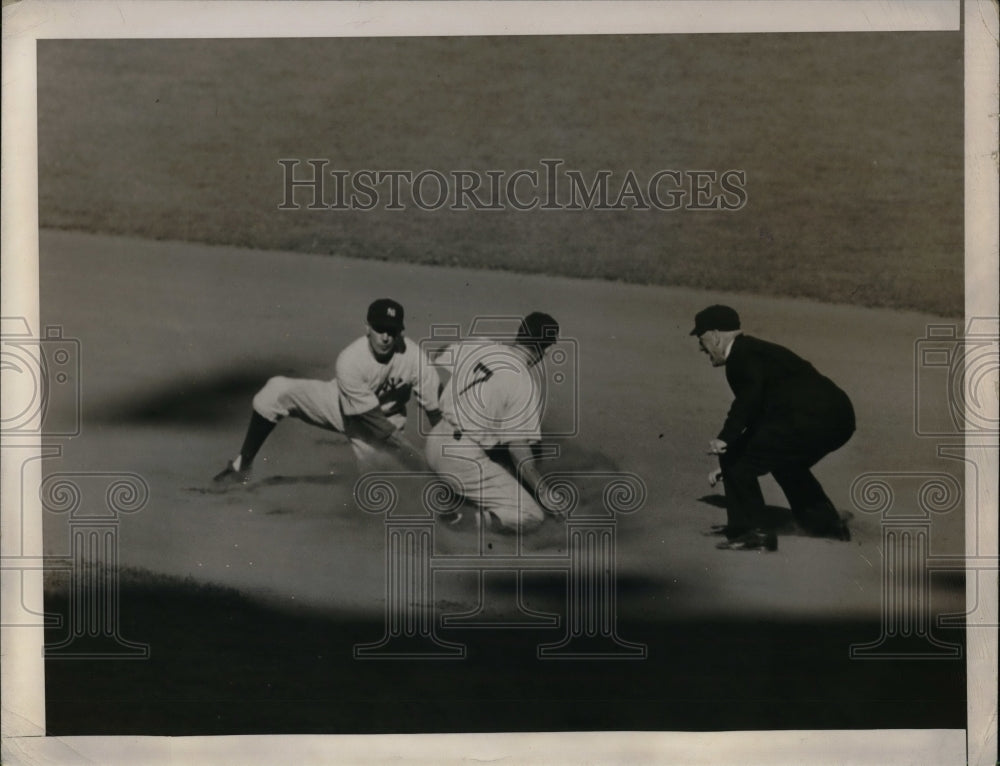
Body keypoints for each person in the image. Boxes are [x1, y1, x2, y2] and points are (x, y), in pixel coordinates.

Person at [213, 298, 443, 484]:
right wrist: (420, 463)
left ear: (400, 333)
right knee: (275, 391)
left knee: (377, 489)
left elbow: (436, 412)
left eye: (392, 331)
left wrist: (450, 457)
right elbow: (376, 425)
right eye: (379, 329)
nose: (385, 337)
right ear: (367, 328)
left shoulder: (415, 359)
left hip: (386, 420)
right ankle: (242, 466)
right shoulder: (350, 361)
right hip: (341, 405)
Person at [691, 305, 855, 552]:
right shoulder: (755, 351)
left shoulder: (740, 357)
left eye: (701, 339)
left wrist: (726, 439)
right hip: (838, 418)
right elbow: (763, 414)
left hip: (810, 418)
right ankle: (825, 526)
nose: (701, 347)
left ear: (714, 335)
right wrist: (736, 447)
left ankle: (754, 533)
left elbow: (749, 399)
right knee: (785, 462)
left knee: (737, 460)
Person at [424, 312, 564, 533]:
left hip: (434, 440)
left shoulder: (482, 345)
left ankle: (454, 499)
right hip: (461, 459)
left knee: (495, 459)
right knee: (531, 514)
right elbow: (518, 450)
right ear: (545, 350)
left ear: (520, 334)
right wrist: (543, 492)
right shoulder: (523, 383)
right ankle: (463, 520)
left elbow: (441, 353)